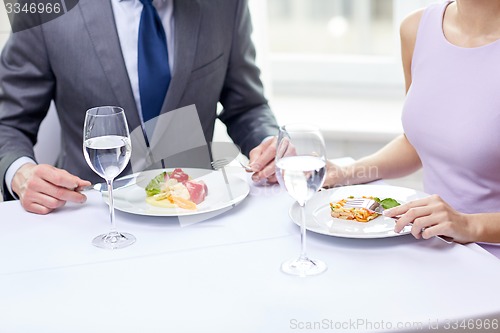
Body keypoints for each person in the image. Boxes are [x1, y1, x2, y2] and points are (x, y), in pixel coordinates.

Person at [0, 0, 279, 214]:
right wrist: (20, 173)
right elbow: (8, 123)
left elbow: (247, 107)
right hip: (90, 216)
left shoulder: (226, 6)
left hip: (196, 212)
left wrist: (268, 144)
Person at [324, 0, 500, 244]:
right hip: (430, 247)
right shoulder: (417, 29)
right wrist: (347, 173)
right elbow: (417, 144)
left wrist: (469, 225)